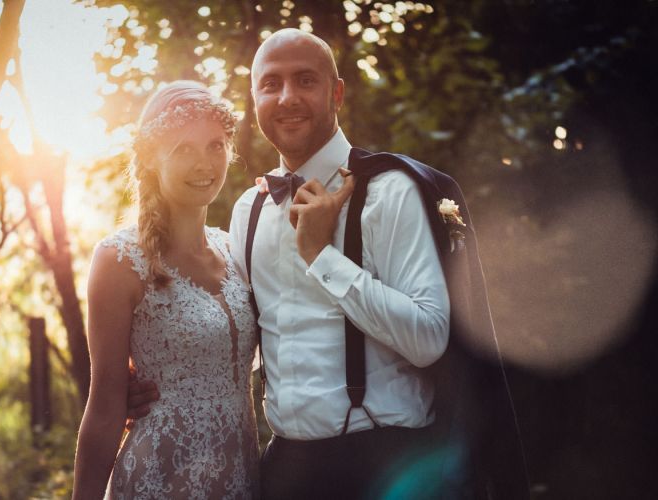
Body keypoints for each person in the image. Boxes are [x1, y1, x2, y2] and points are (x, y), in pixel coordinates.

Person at [129, 29, 529, 499]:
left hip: (386, 465)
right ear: (254, 99)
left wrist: (322, 257)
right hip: (286, 471)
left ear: (336, 92)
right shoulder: (248, 211)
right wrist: (153, 379)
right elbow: (238, 330)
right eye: (271, 84)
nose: (287, 97)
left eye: (305, 80)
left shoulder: (389, 190)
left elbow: (428, 338)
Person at [72, 81, 263, 500]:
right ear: (152, 160)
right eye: (183, 149)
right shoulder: (119, 260)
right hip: (158, 480)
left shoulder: (237, 250)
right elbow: (104, 408)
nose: (204, 163)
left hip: (243, 480)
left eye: (215, 145)